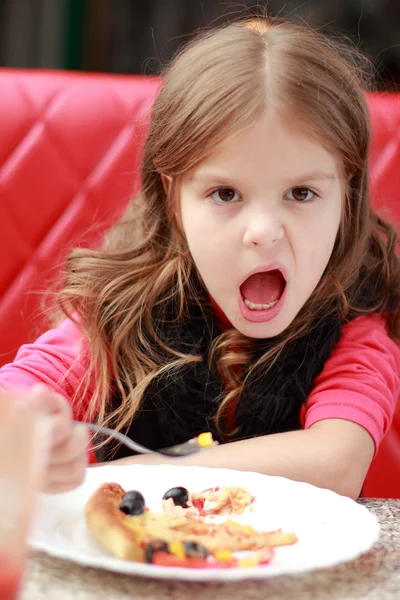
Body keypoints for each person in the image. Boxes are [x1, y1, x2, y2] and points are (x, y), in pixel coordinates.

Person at [0, 17, 399, 499]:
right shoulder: (126, 305)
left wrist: (141, 469)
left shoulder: (356, 310)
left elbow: (337, 463)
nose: (264, 232)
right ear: (174, 201)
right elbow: (18, 398)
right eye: (226, 193)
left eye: (301, 192)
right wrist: (34, 430)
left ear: (346, 197)